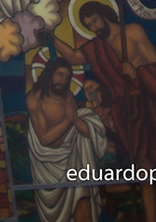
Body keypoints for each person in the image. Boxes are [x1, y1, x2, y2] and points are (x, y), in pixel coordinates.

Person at [55, 0, 156, 221]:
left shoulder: (133, 32)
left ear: (104, 14)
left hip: (147, 106)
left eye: (95, 21)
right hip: (124, 111)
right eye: (89, 25)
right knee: (144, 171)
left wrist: (138, 73)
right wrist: (52, 39)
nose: (94, 28)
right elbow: (74, 57)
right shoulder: (98, 47)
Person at [26, 59, 106, 222]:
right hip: (46, 167)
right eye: (60, 75)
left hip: (72, 159)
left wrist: (77, 120)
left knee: (82, 197)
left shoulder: (68, 97)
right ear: (50, 74)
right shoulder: (35, 99)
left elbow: (86, 131)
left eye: (67, 78)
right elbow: (44, 138)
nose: (63, 81)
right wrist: (69, 120)